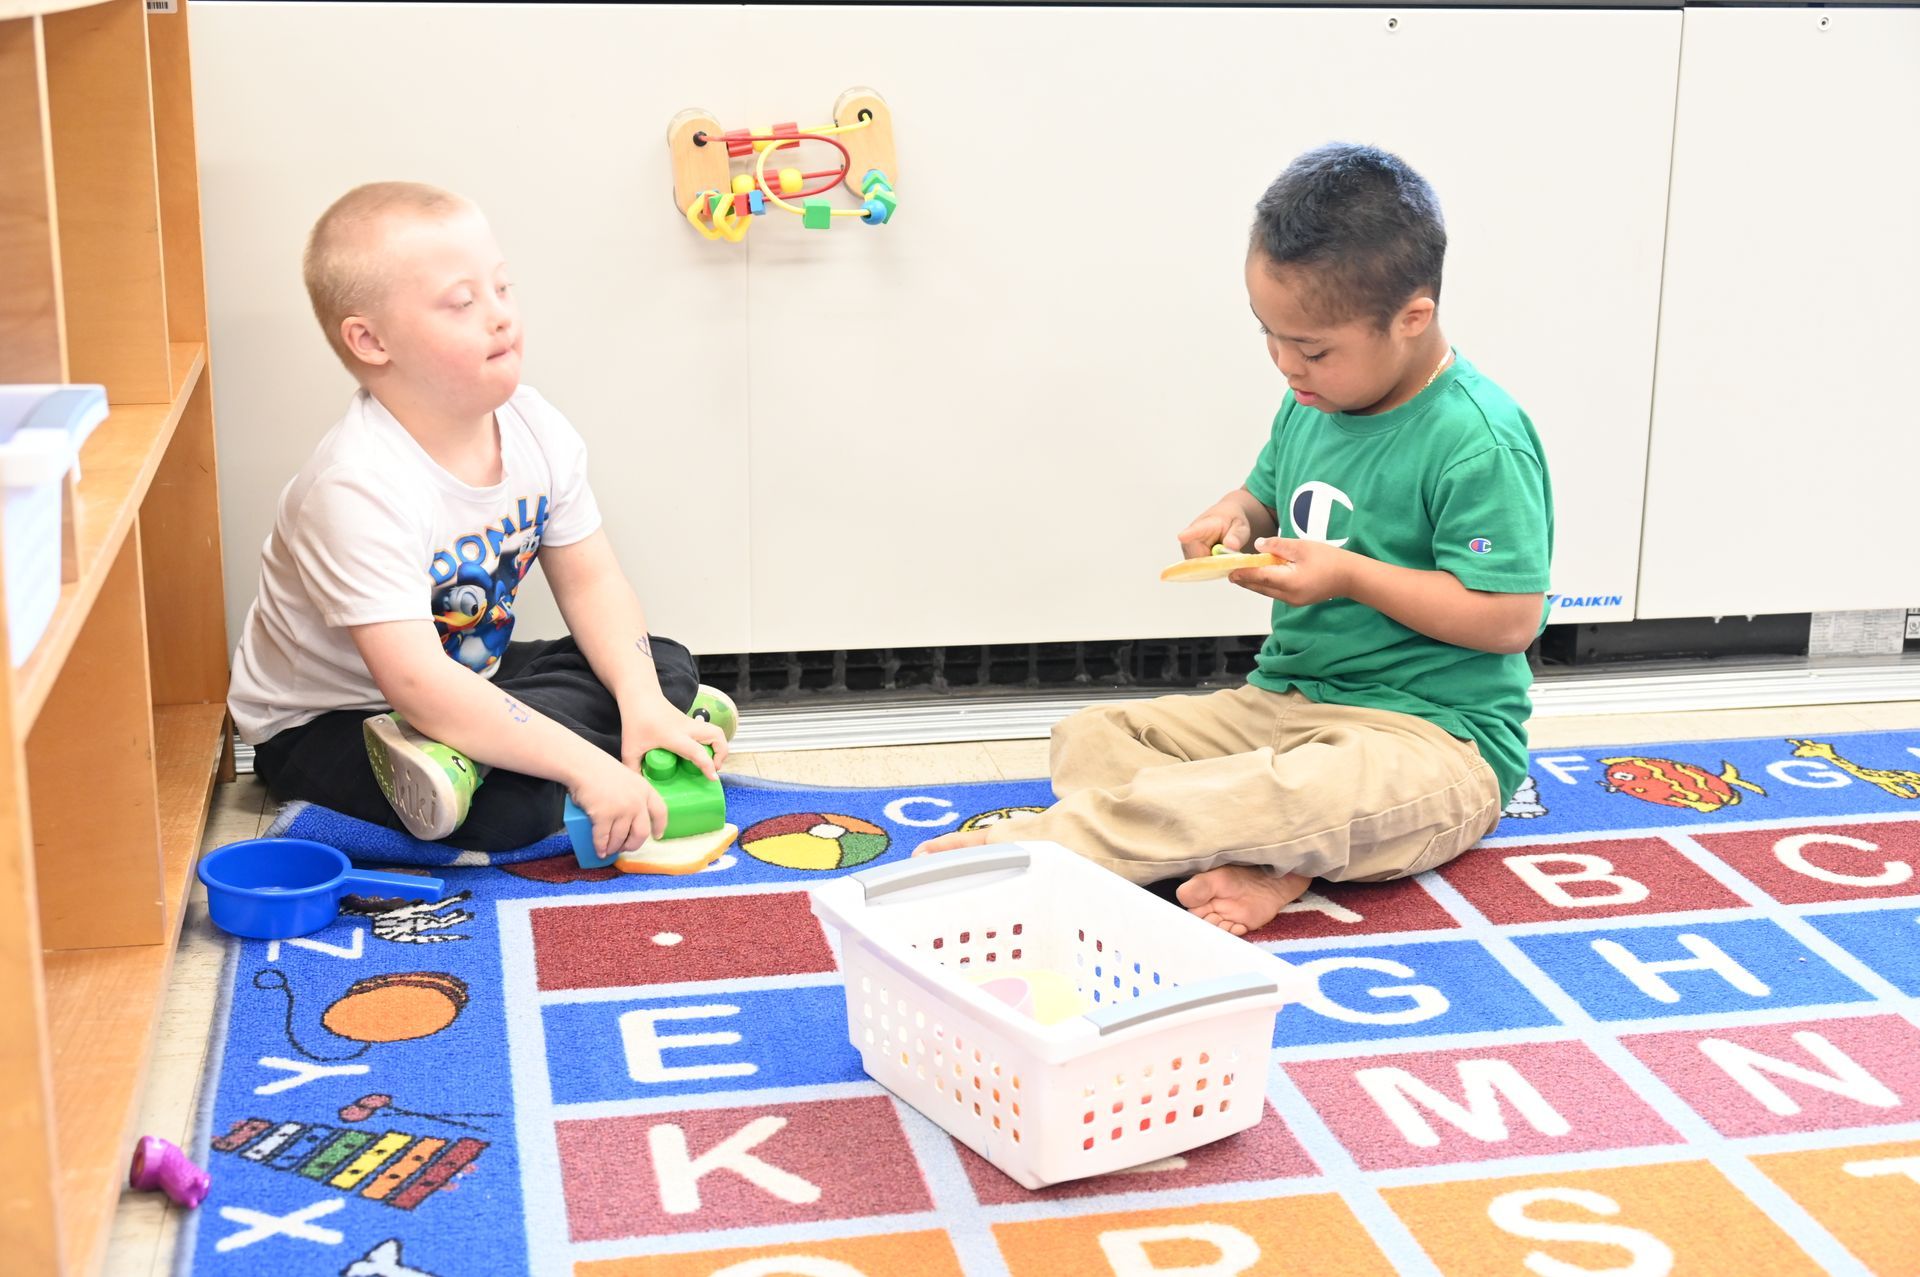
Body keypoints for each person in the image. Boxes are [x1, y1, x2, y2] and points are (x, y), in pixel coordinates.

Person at [918, 144, 1554, 934]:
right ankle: (1261, 860)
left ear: (1412, 317)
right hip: (1284, 704)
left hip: (1432, 742)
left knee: (1288, 791)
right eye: (1269, 335)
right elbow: (1264, 494)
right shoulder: (1311, 399)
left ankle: (1038, 854)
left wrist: (1349, 576)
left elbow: (1509, 619)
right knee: (1094, 741)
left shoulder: (1480, 439)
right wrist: (1235, 520)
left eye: (1313, 347)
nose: (1287, 364)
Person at [228, 181, 734, 856]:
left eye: (502, 288)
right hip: (332, 722)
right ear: (371, 340)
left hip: (466, 681)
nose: (500, 316)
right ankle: (497, 759)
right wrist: (587, 767)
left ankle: (558, 740)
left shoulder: (534, 425)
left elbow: (593, 584)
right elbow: (415, 683)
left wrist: (641, 699)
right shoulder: (357, 485)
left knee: (660, 661)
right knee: (512, 815)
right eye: (463, 303)